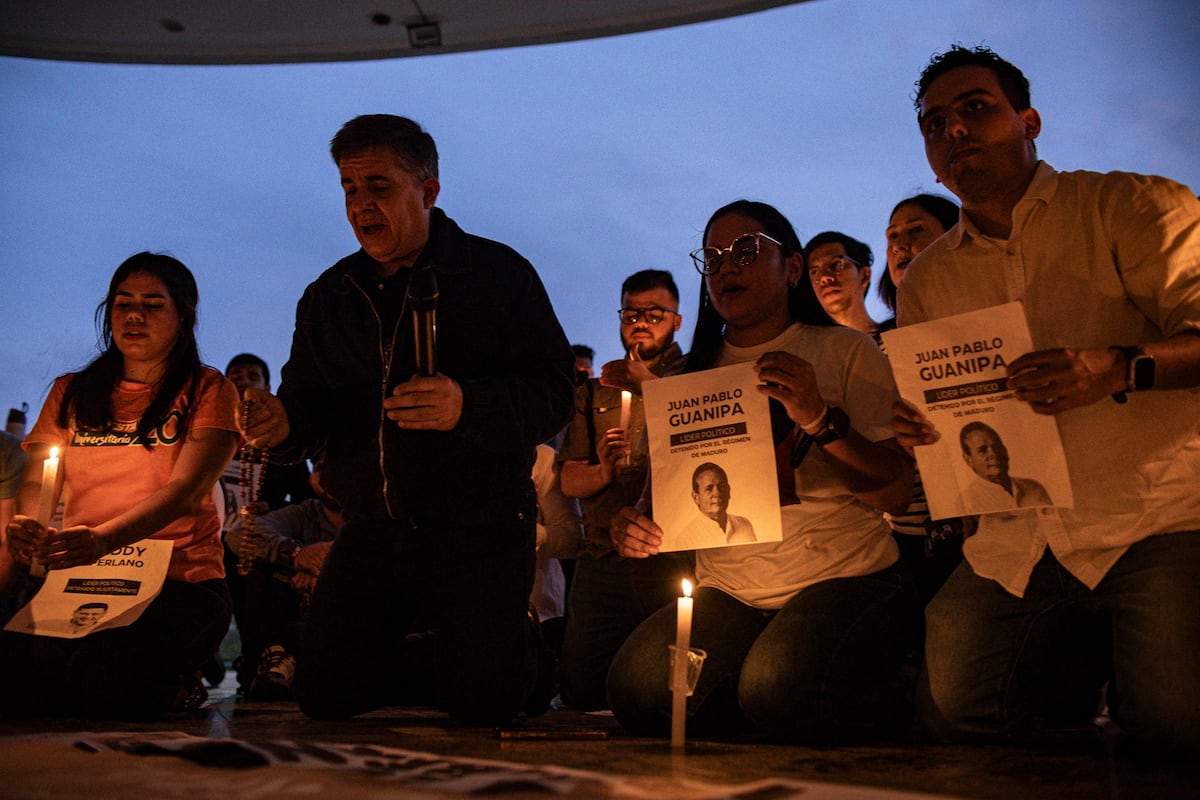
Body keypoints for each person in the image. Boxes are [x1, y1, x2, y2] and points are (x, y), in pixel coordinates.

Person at [892, 45, 1200, 752]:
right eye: (934, 124)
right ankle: (1075, 683)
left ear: (1029, 120)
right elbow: (943, 413)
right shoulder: (927, 280)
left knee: (1177, 728)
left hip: (1154, 516)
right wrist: (920, 428)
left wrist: (1118, 368)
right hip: (1020, 539)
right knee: (950, 717)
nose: (954, 130)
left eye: (975, 108)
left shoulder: (1129, 205)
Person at [237, 114, 575, 725]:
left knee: (487, 706)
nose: (360, 205)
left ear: (428, 190)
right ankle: (456, 659)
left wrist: (467, 405)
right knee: (323, 693)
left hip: (479, 523)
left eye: (379, 187)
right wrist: (281, 425)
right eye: (349, 188)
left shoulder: (499, 275)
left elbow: (554, 394)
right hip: (374, 525)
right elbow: (307, 407)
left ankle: (513, 656)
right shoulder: (329, 296)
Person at [607, 200, 918, 742]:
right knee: (638, 690)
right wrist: (632, 524)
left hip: (842, 577)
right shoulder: (688, 378)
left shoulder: (846, 351)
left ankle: (867, 686)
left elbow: (894, 493)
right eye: (712, 258)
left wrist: (819, 419)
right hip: (730, 592)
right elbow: (658, 499)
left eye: (746, 252)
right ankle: (777, 693)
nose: (726, 267)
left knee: (776, 687)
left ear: (792, 268)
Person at [0, 252, 239, 719]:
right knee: (12, 677)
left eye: (153, 305)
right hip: (81, 582)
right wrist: (27, 524)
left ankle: (180, 677)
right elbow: (38, 480)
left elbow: (186, 491)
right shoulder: (71, 391)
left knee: (107, 679)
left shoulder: (208, 389)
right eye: (123, 303)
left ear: (183, 317)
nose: (134, 316)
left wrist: (103, 539)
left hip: (179, 583)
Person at [556, 268, 692, 711]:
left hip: (670, 560)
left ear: (677, 320)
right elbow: (568, 478)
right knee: (581, 689)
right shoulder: (595, 392)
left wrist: (650, 386)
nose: (640, 323)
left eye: (654, 314)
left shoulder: (696, 379)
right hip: (602, 559)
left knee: (663, 692)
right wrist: (603, 471)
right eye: (631, 314)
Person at [223, 450, 341, 700]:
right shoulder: (304, 513)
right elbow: (240, 534)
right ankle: (273, 655)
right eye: (321, 469)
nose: (330, 477)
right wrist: (297, 555)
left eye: (338, 468)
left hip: (349, 621)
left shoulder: (373, 520)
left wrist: (324, 575)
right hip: (295, 620)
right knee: (255, 563)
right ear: (312, 479)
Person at [878, 194, 960, 325]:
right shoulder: (880, 338)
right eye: (893, 236)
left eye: (916, 230)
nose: (898, 246)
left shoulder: (990, 309)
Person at [804, 231, 883, 344]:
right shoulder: (812, 352)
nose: (824, 277)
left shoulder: (897, 337)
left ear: (864, 275)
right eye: (814, 272)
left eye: (836, 264)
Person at [958, 422, 1051, 511]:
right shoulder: (966, 502)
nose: (993, 453)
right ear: (969, 460)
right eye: (982, 450)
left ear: (1005, 451)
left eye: (997, 447)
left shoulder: (1034, 488)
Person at [675, 462, 756, 548]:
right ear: (696, 497)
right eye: (709, 489)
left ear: (728, 490)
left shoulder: (744, 524)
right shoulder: (686, 539)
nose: (717, 493)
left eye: (721, 487)